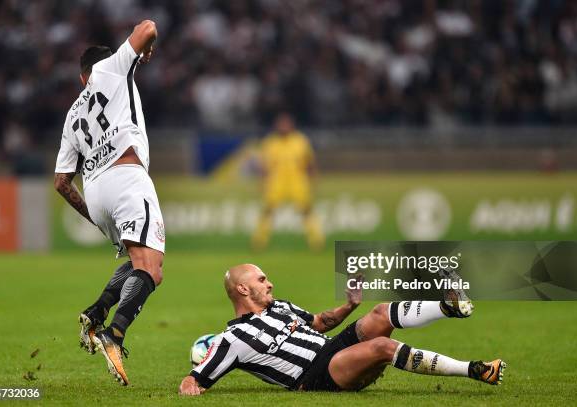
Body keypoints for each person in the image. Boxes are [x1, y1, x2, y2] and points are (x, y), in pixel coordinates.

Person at [179, 264, 505, 395]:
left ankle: (450, 307)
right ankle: (474, 370)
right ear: (244, 290)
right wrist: (190, 386)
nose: (270, 283)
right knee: (381, 348)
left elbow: (320, 323)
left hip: (331, 347)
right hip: (314, 377)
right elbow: (196, 377)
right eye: (262, 280)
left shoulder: (280, 306)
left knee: (379, 314)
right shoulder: (232, 339)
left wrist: (349, 306)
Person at [54, 20, 164, 386]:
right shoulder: (113, 67)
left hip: (96, 190)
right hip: (126, 176)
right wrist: (144, 50)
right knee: (151, 269)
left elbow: (61, 182)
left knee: (136, 261)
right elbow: (148, 26)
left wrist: (94, 217)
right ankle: (113, 334)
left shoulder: (72, 115)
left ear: (80, 77)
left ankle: (96, 312)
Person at [251, 113, 325, 251]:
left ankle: (317, 242)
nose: (283, 127)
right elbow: (264, 166)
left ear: (292, 125)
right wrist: (261, 182)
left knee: (306, 210)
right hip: (276, 181)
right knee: (268, 210)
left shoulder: (300, 141)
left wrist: (314, 179)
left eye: (286, 124)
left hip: (297, 180)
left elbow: (309, 162)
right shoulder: (270, 142)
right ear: (276, 126)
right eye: (281, 124)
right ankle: (259, 242)